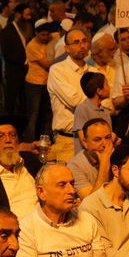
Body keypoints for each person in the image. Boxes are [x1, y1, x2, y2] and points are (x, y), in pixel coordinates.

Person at [46, 27, 90, 161]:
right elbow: (74, 101)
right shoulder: (58, 70)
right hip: (68, 140)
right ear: (66, 48)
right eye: (76, 42)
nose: (82, 45)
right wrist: (95, 99)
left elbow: (107, 104)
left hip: (93, 141)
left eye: (84, 41)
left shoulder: (94, 71)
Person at [67, 116, 117, 200]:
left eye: (108, 138)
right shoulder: (74, 165)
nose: (104, 144)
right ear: (85, 143)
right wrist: (104, 164)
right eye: (97, 140)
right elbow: (91, 202)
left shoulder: (118, 157)